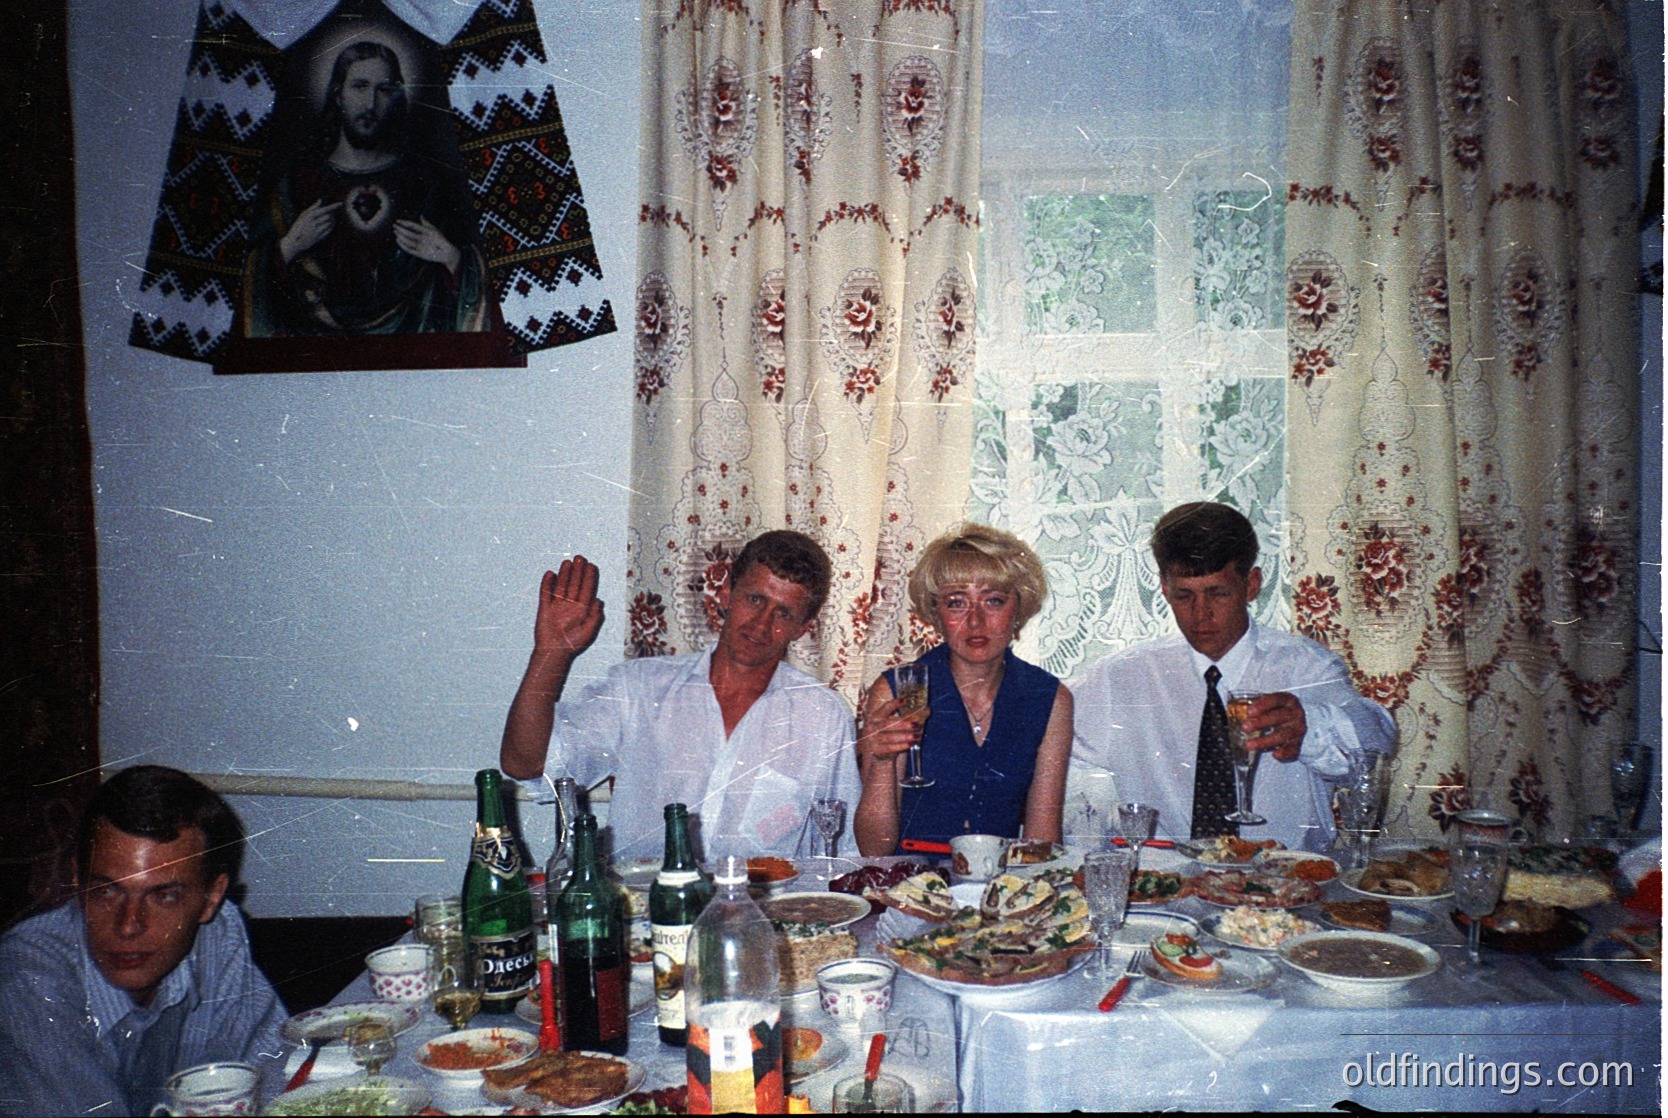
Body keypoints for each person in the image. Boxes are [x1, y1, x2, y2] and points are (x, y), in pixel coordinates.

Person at [500, 530, 860, 860]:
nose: (762, 624)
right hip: (646, 911)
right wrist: (551, 653)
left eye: (783, 612)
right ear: (725, 595)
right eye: (754, 599)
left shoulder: (823, 716)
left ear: (802, 628)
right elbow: (526, 764)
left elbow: (843, 849)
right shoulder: (639, 688)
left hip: (764, 917)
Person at [1068, 502, 1395, 851]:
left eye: (1218, 593)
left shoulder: (1304, 665)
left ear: (1251, 585)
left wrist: (1309, 726)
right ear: (1164, 589)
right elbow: (1062, 763)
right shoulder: (1121, 677)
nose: (1201, 614)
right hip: (1167, 887)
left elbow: (1377, 739)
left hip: (1285, 884)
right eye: (1184, 596)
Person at [0, 766, 287, 1116]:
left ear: (212, 898)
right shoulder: (29, 979)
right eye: (106, 891)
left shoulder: (217, 934)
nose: (128, 926)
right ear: (77, 879)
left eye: (163, 896)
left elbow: (276, 1073)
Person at [242, 39, 489, 337]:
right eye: (359, 86)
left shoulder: (424, 185)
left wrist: (450, 257)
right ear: (338, 94)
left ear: (397, 96)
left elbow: (471, 299)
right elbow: (246, 290)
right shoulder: (296, 185)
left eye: (384, 90)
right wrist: (289, 246)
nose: (371, 103)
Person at [854, 523, 1072, 855]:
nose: (975, 621)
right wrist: (883, 762)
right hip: (910, 890)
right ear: (936, 614)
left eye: (994, 601)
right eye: (957, 603)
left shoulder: (1049, 699)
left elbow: (1042, 843)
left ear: (1018, 608)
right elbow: (873, 849)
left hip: (999, 892)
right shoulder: (897, 690)